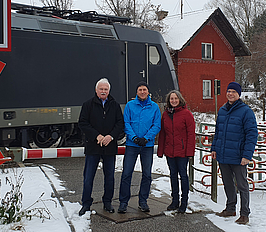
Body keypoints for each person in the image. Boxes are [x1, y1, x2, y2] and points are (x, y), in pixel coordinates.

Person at [211, 82, 258, 225]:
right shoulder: (223, 110)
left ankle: (244, 214)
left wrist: (247, 156)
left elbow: (251, 134)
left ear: (239, 94)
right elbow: (218, 131)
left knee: (242, 185)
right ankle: (230, 208)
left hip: (238, 155)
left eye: (233, 91)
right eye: (228, 91)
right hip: (223, 153)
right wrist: (214, 148)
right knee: (227, 183)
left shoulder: (246, 111)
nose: (230, 94)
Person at [78, 78, 124, 216]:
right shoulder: (88, 105)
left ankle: (107, 202)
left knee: (109, 177)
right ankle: (86, 203)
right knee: (88, 177)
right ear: (96, 90)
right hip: (93, 146)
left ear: (109, 91)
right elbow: (83, 123)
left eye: (106, 89)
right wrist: (96, 136)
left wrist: (111, 136)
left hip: (109, 147)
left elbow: (120, 124)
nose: (103, 91)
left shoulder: (115, 105)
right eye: (101, 89)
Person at [118, 81, 161, 213]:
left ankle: (143, 201)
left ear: (148, 92)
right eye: (140, 90)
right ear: (136, 92)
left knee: (147, 175)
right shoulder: (130, 106)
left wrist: (146, 138)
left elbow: (157, 125)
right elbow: (126, 123)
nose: (142, 92)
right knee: (126, 173)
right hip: (132, 145)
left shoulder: (154, 107)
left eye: (144, 90)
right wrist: (135, 138)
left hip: (147, 146)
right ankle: (123, 202)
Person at [157, 90, 196, 213]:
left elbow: (191, 134)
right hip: (170, 151)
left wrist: (190, 152)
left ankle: (184, 202)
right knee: (173, 175)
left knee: (183, 176)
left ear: (180, 100)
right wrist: (160, 150)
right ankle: (174, 200)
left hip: (182, 151)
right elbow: (162, 133)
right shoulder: (165, 114)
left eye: (175, 99)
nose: (173, 101)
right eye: (171, 99)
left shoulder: (186, 114)